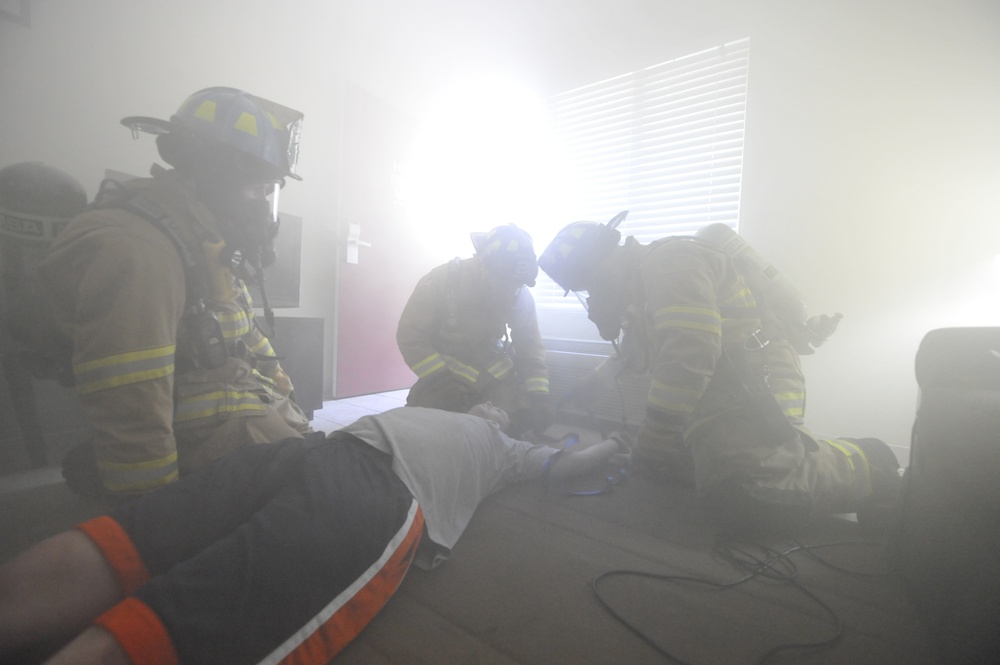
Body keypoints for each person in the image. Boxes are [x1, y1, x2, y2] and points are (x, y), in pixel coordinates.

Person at [0, 405, 623, 665]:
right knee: (145, 555)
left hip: (345, 469)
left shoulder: (507, 449)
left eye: (500, 407)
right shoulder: (444, 416)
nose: (492, 407)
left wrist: (613, 444)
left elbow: (563, 467)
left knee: (187, 590)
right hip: (339, 465)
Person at [537, 213, 900, 531]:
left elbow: (689, 352)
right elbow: (634, 355)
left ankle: (869, 460)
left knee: (746, 497)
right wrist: (592, 383)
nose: (592, 299)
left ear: (601, 265)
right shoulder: (645, 288)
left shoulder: (671, 263)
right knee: (683, 475)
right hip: (722, 396)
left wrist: (657, 438)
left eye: (588, 287)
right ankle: (783, 457)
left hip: (757, 387)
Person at [36, 87, 313, 498]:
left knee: (318, 466)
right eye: (256, 189)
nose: (263, 208)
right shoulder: (139, 253)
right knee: (310, 490)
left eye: (268, 192)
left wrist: (282, 388)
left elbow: (240, 328)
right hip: (189, 421)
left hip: (226, 400)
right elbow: (133, 405)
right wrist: (156, 523)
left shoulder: (200, 238)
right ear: (215, 177)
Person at [396, 224, 553, 436]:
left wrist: (538, 395)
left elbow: (530, 346)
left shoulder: (519, 293)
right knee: (428, 428)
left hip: (495, 377)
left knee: (511, 428)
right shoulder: (441, 281)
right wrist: (439, 380)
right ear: (483, 264)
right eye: (504, 282)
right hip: (445, 376)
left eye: (516, 286)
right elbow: (411, 336)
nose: (509, 291)